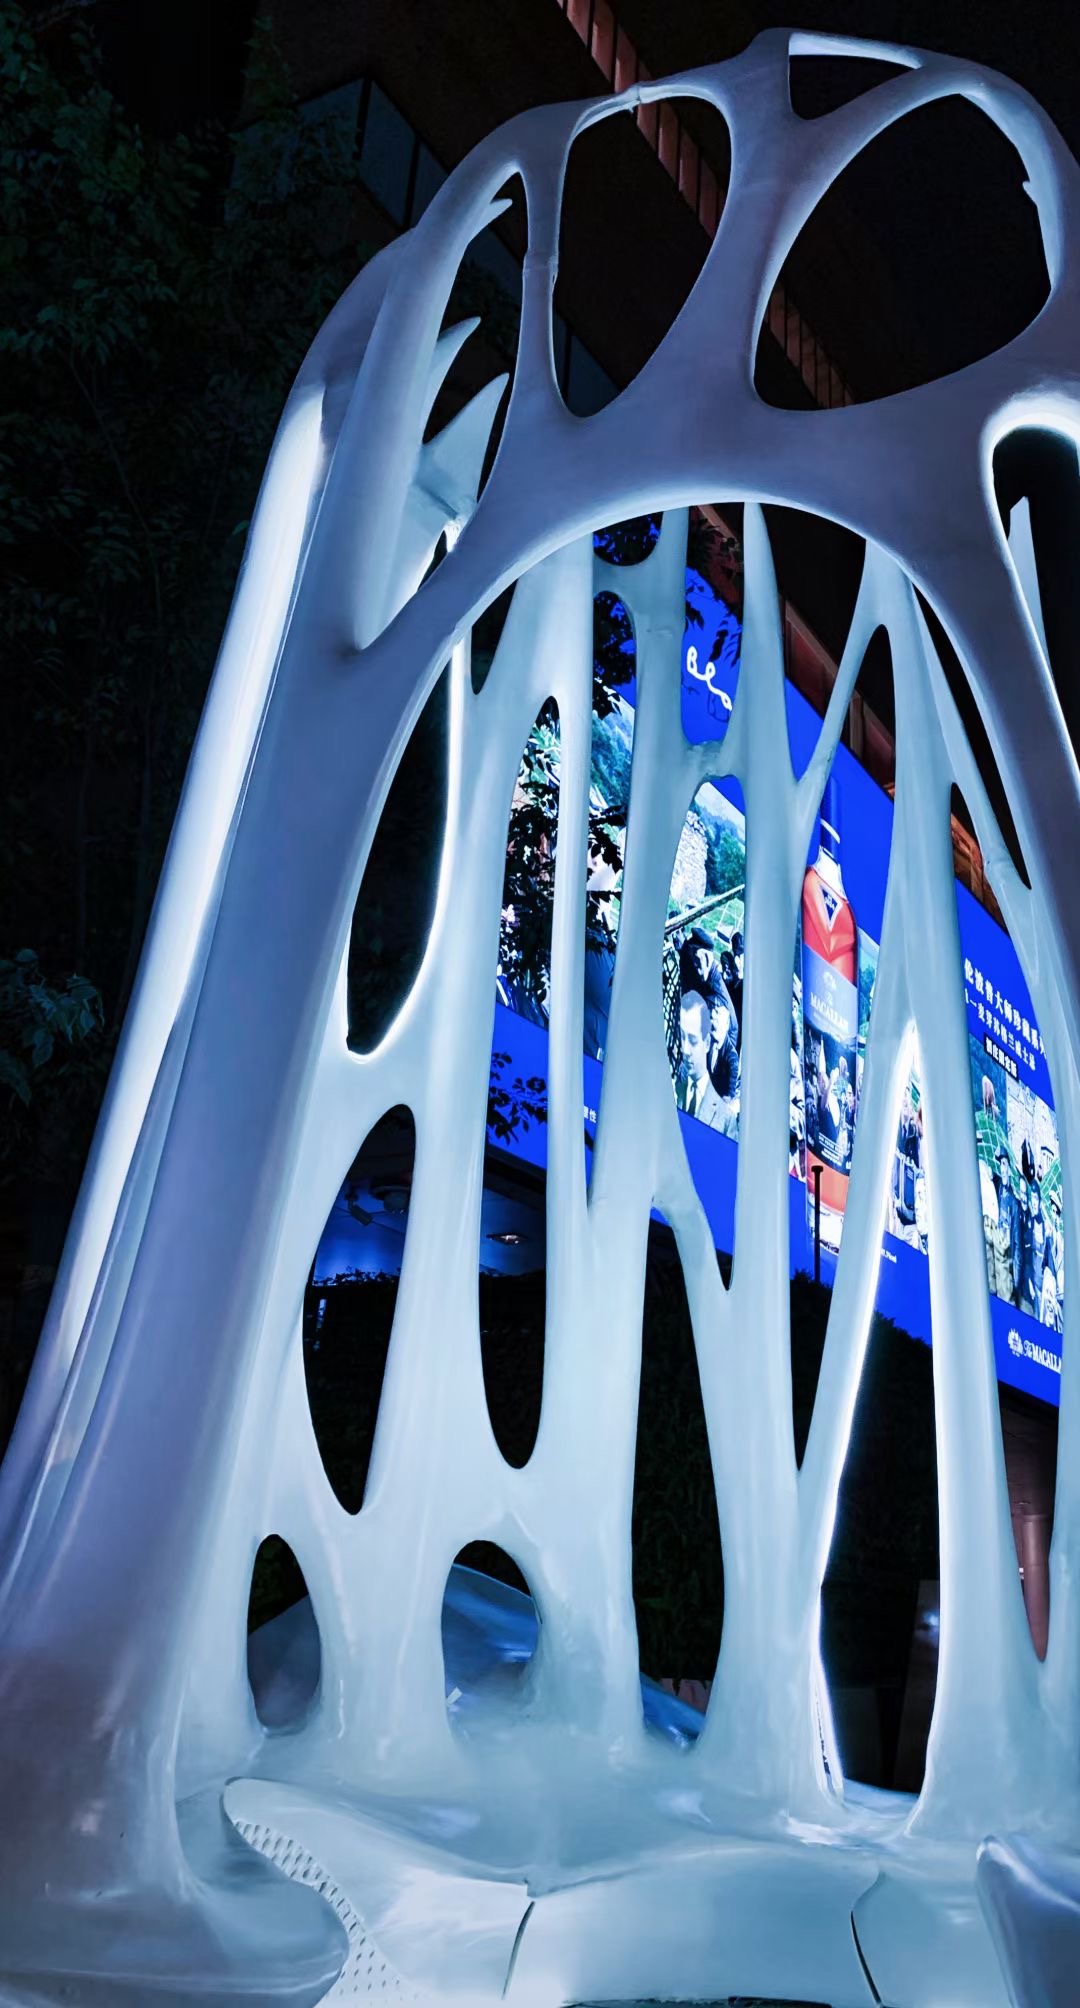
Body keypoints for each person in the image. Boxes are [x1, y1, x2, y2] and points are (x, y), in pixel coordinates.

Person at [675, 992, 738, 1135]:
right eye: (712, 1016)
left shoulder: (731, 1059)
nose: (713, 1019)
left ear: (727, 1024)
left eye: (718, 1015)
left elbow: (727, 1099)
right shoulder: (706, 1045)